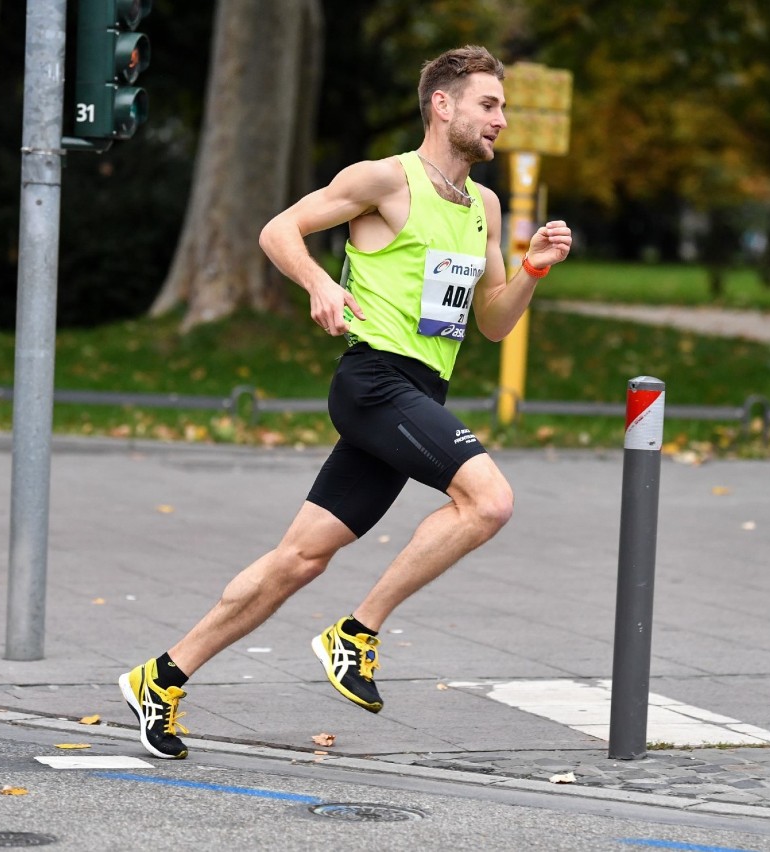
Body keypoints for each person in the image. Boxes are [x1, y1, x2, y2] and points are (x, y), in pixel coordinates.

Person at [119, 44, 572, 759]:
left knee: (299, 559)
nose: (502, 120)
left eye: (505, 107)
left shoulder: (484, 205)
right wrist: (321, 285)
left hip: (418, 394)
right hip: (373, 382)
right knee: (488, 501)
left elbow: (491, 321)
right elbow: (278, 231)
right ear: (443, 105)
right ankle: (356, 633)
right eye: (490, 104)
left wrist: (531, 273)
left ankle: (163, 676)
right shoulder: (383, 181)